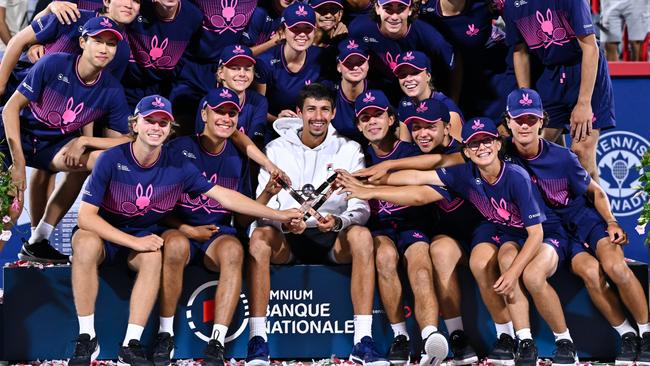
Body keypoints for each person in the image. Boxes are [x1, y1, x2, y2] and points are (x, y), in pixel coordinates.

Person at [68, 94, 301, 365]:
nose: (156, 127)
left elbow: (225, 196)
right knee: (84, 243)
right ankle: (87, 338)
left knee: (155, 254)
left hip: (144, 235)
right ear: (135, 124)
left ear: (170, 129)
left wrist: (278, 213)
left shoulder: (178, 165)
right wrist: (133, 241)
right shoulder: (110, 159)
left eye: (163, 122)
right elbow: (86, 218)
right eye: (150, 120)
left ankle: (130, 344)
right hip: (106, 230)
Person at [342, 117, 579, 366]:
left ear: (498, 144)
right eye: (474, 144)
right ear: (465, 150)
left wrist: (513, 274)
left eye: (487, 141)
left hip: (544, 233)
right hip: (510, 233)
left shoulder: (516, 176)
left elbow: (536, 233)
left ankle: (564, 341)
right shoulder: (465, 174)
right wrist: (366, 183)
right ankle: (519, 340)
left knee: (526, 274)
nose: (481, 148)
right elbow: (417, 180)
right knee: (488, 261)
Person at [502, 88, 650, 365]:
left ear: (542, 121)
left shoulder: (562, 157)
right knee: (590, 273)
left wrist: (611, 221)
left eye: (531, 119)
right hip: (554, 233)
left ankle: (647, 333)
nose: (525, 125)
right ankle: (627, 335)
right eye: (519, 119)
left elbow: (595, 192)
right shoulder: (502, 157)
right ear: (508, 121)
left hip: (585, 222)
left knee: (616, 267)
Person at [245, 84, 386, 366]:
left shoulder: (349, 149)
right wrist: (285, 222)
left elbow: (359, 206)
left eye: (324, 109)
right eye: (311, 109)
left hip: (332, 236)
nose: (317, 116)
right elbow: (263, 209)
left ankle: (362, 341)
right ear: (299, 113)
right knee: (260, 237)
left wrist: (338, 222)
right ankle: (257, 341)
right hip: (287, 237)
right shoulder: (275, 149)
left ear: (333, 113)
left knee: (361, 236)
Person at [0, 17, 131, 260]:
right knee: (10, 210)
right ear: (82, 42)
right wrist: (18, 164)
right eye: (97, 41)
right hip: (13, 139)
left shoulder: (112, 90)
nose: (104, 49)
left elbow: (124, 140)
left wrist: (85, 141)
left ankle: (39, 238)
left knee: (98, 159)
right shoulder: (54, 63)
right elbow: (10, 109)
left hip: (50, 147)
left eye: (111, 44)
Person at [354, 89, 450, 366]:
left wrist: (379, 183)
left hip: (414, 223)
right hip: (380, 226)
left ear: (391, 118)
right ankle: (400, 337)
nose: (373, 122)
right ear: (359, 125)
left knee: (420, 262)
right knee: (384, 257)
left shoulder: (412, 152)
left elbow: (438, 170)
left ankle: (430, 335)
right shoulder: (356, 156)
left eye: (378, 115)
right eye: (365, 117)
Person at [504, 0, 616, 182]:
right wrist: (526, 98)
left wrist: (584, 103)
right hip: (548, 75)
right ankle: (559, 208)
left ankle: (595, 210)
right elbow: (520, 50)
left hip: (583, 70)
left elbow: (590, 48)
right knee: (537, 149)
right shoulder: (512, 5)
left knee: (582, 153)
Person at [418, 0, 517, 122]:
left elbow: (518, 27)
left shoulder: (487, 5)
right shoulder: (424, 13)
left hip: (494, 83)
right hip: (452, 86)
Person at [347, 0, 458, 104]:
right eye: (387, 8)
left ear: (410, 9)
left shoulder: (431, 38)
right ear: (377, 8)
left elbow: (454, 66)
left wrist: (453, 101)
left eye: (401, 9)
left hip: (420, 91)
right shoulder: (359, 29)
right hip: (382, 89)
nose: (394, 16)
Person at [121, 0, 202, 110]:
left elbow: (188, 54)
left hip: (161, 89)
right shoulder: (137, 7)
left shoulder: (193, 16)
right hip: (126, 86)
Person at [254, 2, 328, 122]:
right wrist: (277, 120)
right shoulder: (265, 62)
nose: (302, 34)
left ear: (315, 31)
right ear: (282, 31)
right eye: (295, 28)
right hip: (273, 130)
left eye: (308, 28)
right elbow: (256, 109)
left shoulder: (321, 56)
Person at [194, 44, 268, 145]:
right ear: (221, 73)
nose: (242, 74)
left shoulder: (259, 101)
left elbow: (257, 142)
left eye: (247, 69)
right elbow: (205, 144)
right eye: (234, 68)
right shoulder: (208, 101)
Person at [392, 51, 463, 141]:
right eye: (403, 75)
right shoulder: (405, 104)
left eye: (415, 73)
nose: (408, 79)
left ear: (428, 76)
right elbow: (406, 146)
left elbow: (457, 153)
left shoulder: (447, 107)